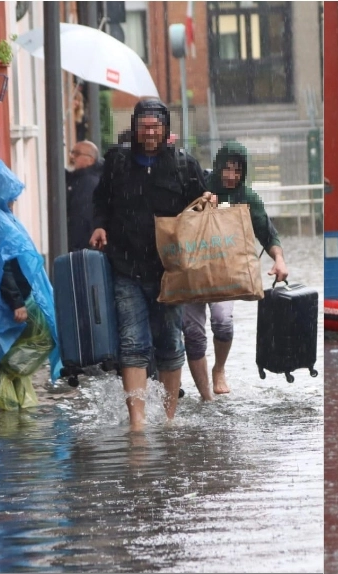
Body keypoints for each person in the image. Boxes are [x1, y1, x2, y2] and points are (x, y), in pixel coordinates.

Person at [90, 98, 212, 429]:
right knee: (132, 341)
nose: (149, 133)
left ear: (165, 130)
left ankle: (170, 418)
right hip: (125, 266)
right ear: (134, 128)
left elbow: (203, 206)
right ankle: (138, 422)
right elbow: (101, 200)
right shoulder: (117, 162)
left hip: (169, 271)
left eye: (155, 127)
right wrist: (100, 225)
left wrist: (211, 200)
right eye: (144, 126)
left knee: (170, 341)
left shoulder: (184, 166)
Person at [181, 141, 289, 400]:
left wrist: (279, 259)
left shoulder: (247, 197)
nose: (231, 175)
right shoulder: (199, 186)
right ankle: (205, 393)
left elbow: (267, 233)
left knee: (223, 323)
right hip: (191, 272)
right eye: (226, 169)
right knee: (193, 332)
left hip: (224, 273)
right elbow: (177, 219)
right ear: (218, 167)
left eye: (237, 170)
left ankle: (219, 369)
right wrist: (202, 203)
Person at [0, 160, 62, 410]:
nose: (14, 201)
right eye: (12, 196)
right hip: (19, 297)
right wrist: (17, 302)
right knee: (44, 339)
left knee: (30, 341)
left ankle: (13, 400)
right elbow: (4, 263)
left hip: (22, 293)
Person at [65, 140, 103, 252]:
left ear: (90, 160)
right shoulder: (79, 180)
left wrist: (75, 247)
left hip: (82, 248)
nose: (72, 157)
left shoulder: (88, 183)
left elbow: (82, 218)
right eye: (72, 153)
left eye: (76, 153)